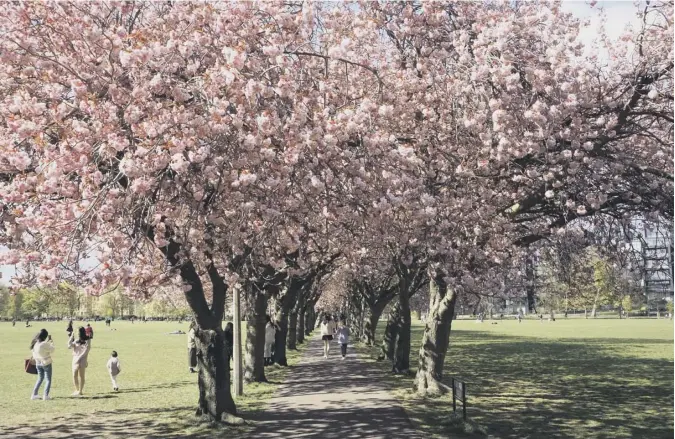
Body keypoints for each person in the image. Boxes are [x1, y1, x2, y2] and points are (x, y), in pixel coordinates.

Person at [30, 329, 55, 400]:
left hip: (38, 363)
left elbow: (43, 347)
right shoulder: (44, 344)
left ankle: (34, 394)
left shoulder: (35, 343)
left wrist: (48, 342)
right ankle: (45, 395)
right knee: (48, 380)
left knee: (40, 379)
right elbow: (52, 349)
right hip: (46, 362)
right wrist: (51, 341)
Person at [68, 327, 91, 396]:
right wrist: (71, 336)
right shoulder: (76, 340)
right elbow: (69, 346)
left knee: (81, 376)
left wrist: (79, 358)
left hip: (82, 359)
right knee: (74, 375)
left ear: (81, 332)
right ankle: (77, 390)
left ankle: (80, 391)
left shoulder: (88, 340)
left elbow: (86, 350)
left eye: (78, 332)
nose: (77, 333)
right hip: (75, 359)